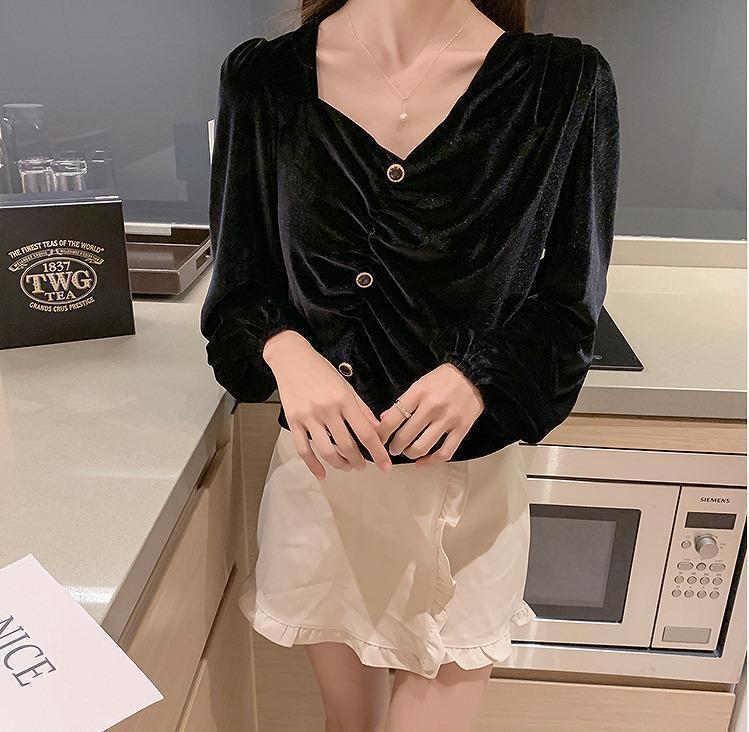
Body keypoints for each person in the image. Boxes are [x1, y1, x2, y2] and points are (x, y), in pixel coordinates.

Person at [200, 0, 620, 729]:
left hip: (467, 495)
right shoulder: (263, 79)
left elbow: (568, 306)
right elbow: (239, 289)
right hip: (326, 481)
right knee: (350, 723)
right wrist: (287, 350)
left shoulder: (562, 83)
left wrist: (481, 374)